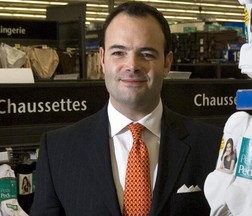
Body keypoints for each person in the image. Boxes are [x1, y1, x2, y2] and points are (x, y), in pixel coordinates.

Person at [30, 1, 222, 215]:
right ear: (102, 59)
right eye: (119, 53)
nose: (132, 65)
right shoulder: (59, 150)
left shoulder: (211, 145)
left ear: (167, 63)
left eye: (147, 54)